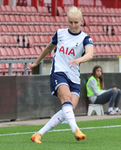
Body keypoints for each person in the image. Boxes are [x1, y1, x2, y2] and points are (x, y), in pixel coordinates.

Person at [27, 6, 93, 143]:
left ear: (81, 21)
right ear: (67, 21)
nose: (73, 25)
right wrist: (36, 62)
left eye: (76, 22)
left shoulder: (85, 38)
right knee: (67, 100)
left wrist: (79, 60)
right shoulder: (60, 33)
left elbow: (90, 54)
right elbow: (48, 48)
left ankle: (38, 134)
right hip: (59, 72)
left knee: (68, 109)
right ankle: (75, 129)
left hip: (74, 77)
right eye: (70, 22)